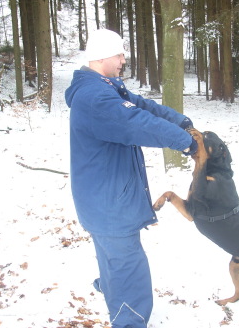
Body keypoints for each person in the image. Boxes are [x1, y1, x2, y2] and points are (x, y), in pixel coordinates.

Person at [64, 29, 197, 328]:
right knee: (128, 265)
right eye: (119, 54)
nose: (124, 59)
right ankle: (129, 319)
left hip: (103, 194)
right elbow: (135, 122)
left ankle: (112, 288)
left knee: (112, 253)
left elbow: (143, 107)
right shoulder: (94, 96)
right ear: (101, 57)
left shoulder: (104, 87)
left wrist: (180, 122)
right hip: (108, 200)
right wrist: (186, 142)